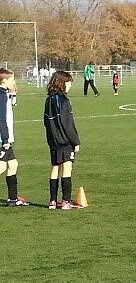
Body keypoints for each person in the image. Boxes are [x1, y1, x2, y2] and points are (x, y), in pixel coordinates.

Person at [44, 71, 81, 210]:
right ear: (62, 83)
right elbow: (68, 124)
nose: (70, 86)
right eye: (69, 83)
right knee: (67, 167)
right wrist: (75, 141)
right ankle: (66, 201)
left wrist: (51, 138)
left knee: (55, 167)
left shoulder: (49, 100)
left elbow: (46, 122)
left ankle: (52, 201)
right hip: (65, 141)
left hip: (53, 140)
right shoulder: (64, 101)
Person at [0, 69, 28, 207]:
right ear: (4, 81)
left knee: (12, 165)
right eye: (12, 79)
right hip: (2, 139)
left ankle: (13, 199)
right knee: (1, 166)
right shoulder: (1, 96)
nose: (14, 82)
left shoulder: (4, 94)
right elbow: (1, 119)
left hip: (6, 138)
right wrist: (5, 139)